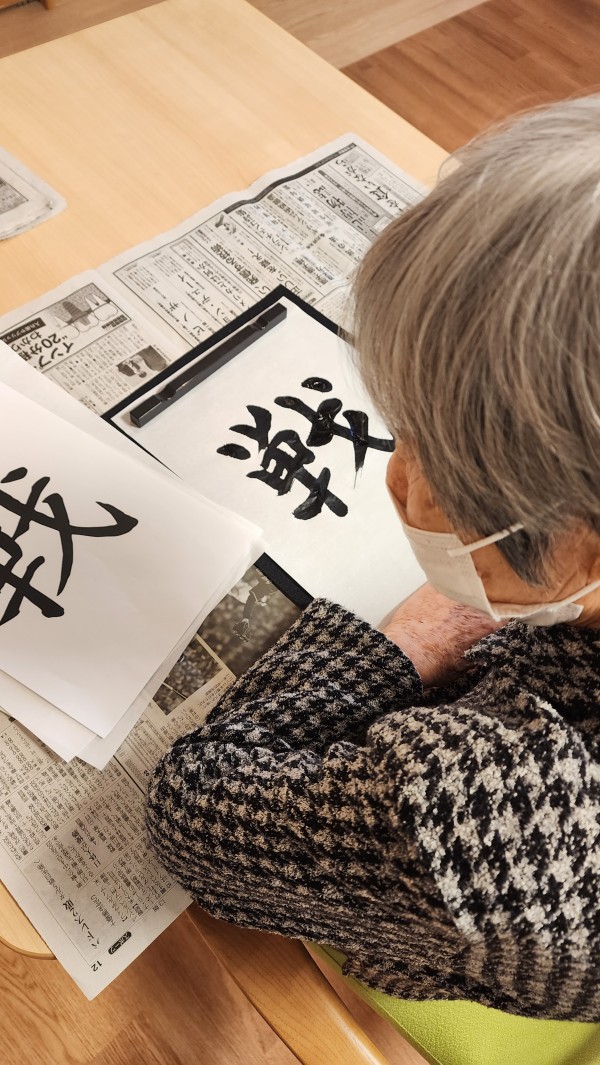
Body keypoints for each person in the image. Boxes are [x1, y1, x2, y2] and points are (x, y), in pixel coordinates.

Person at [146, 96, 600, 1021]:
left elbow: (197, 813)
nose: (397, 475)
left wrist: (406, 642)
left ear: (581, 542)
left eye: (440, 457)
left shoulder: (509, 814)